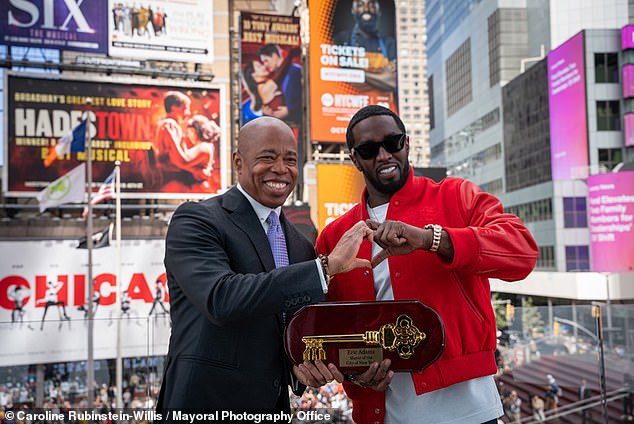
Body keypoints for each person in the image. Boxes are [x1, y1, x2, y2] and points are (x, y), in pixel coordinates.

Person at [311, 105, 538, 423]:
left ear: (406, 144)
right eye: (369, 149)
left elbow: (523, 252)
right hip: (379, 412)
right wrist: (354, 375)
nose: (384, 155)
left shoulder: (457, 196)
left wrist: (432, 240)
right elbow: (332, 332)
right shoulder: (335, 236)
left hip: (470, 410)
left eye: (393, 142)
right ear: (354, 158)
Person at [156, 116, 374, 413]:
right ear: (238, 162)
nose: (281, 169)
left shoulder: (301, 244)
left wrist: (306, 367)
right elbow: (221, 298)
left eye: (290, 160)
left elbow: (294, 333)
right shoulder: (196, 220)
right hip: (203, 406)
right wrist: (324, 268)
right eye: (268, 158)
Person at [153, 91, 215, 192]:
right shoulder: (170, 125)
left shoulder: (166, 124)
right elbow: (179, 160)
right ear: (173, 107)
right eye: (185, 108)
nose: (188, 113)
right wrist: (197, 171)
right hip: (172, 180)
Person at [333, 0, 397, 92]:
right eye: (360, 5)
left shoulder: (389, 44)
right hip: (348, 104)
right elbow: (334, 76)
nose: (366, 9)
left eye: (371, 5)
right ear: (353, 10)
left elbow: (393, 82)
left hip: (383, 105)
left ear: (379, 11)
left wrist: (353, 73)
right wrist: (380, 76)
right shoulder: (341, 40)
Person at [257, 44, 302, 125]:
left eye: (266, 60)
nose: (265, 65)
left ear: (274, 56)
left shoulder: (295, 71)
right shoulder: (274, 77)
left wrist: (290, 111)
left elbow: (308, 97)